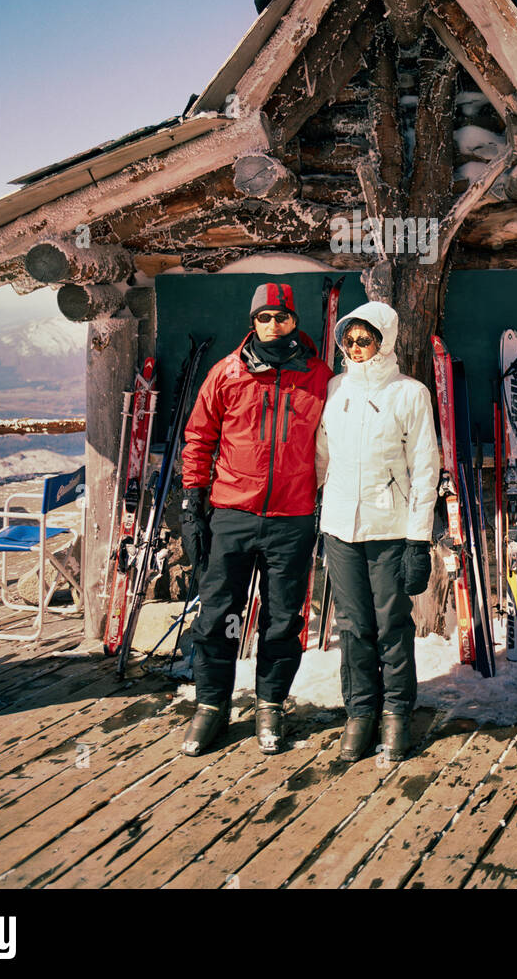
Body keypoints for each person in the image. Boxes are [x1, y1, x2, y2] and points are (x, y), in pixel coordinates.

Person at [178, 281, 333, 756]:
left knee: (284, 619)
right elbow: (199, 438)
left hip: (292, 516)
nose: (272, 325)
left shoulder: (319, 377)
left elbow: (337, 442)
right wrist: (191, 504)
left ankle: (271, 704)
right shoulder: (227, 373)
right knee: (217, 614)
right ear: (253, 323)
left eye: (281, 317)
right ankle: (211, 707)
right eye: (263, 317)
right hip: (233, 513)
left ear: (294, 321)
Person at [315, 302, 440, 763]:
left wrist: (418, 539)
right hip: (339, 525)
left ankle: (396, 711)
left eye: (364, 339)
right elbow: (321, 455)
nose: (355, 347)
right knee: (352, 625)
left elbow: (426, 467)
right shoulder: (336, 387)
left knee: (391, 624)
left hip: (390, 525)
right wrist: (307, 496)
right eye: (348, 339)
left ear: (383, 341)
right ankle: (361, 712)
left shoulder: (410, 393)